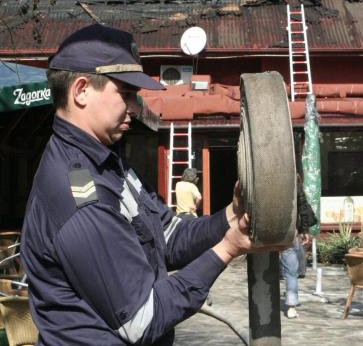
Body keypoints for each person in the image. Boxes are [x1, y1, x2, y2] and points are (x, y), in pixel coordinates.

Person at [21, 24, 254, 346]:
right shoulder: (80, 195)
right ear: (81, 91)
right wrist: (227, 249)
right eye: (126, 93)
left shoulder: (108, 164)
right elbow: (142, 320)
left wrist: (231, 216)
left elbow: (168, 236)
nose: (134, 107)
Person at [280, 173, 318, 319]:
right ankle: (291, 305)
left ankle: (273, 302)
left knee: (283, 269)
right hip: (290, 232)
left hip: (272, 232)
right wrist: (304, 231)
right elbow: (303, 209)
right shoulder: (295, 185)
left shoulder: (271, 184)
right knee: (291, 271)